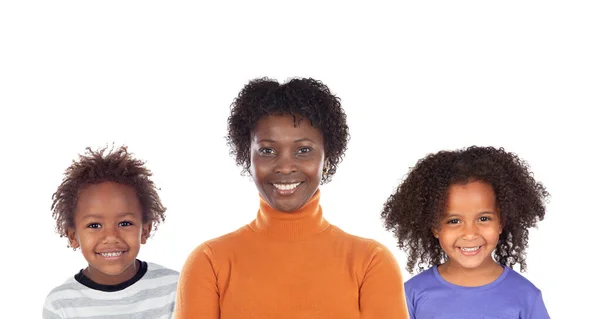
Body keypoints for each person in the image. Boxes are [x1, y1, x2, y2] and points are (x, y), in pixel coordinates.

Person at [175, 77, 409, 319]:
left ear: (326, 158)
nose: (285, 167)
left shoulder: (370, 262)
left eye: (303, 150)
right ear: (248, 157)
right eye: (267, 151)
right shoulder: (210, 263)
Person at [381, 146, 551, 319]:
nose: (470, 234)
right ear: (434, 227)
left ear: (501, 222)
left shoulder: (526, 296)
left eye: (483, 219)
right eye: (454, 221)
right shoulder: (411, 295)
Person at [43, 145, 179, 319]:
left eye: (124, 223)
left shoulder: (174, 288)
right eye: (94, 225)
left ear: (145, 231)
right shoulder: (60, 303)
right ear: (72, 236)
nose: (111, 237)